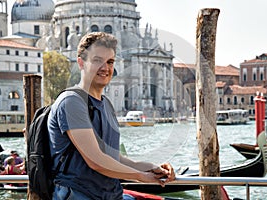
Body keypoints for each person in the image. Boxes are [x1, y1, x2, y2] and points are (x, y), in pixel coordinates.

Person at [47, 32, 175, 200]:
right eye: (97, 60)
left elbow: (114, 158)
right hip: (79, 195)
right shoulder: (71, 102)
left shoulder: (106, 104)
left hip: (111, 195)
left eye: (110, 62)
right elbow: (95, 160)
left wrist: (152, 168)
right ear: (81, 63)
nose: (105, 68)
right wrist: (139, 176)